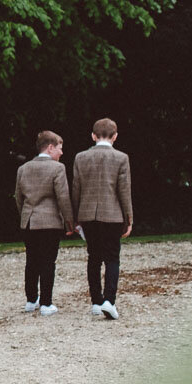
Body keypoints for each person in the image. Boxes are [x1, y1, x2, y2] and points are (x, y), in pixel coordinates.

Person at [71, 117, 134, 319]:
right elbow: (124, 191)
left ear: (93, 136)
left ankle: (96, 301)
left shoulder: (80, 157)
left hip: (87, 214)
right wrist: (129, 218)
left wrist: (75, 216)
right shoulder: (121, 158)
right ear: (115, 136)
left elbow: (76, 190)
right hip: (112, 214)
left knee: (94, 258)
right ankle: (109, 300)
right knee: (112, 258)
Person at [14, 131, 74, 315]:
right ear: (50, 147)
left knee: (31, 261)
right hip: (50, 221)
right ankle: (46, 303)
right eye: (59, 148)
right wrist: (69, 222)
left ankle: (31, 300)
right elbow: (63, 197)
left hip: (29, 221)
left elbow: (19, 197)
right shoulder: (57, 168)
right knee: (48, 261)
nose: (61, 153)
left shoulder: (23, 169)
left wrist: (24, 215)